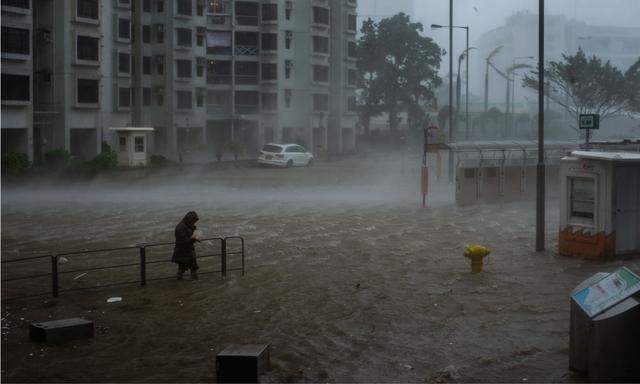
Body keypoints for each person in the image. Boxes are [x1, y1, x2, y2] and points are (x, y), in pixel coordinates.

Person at [172, 211, 201, 280]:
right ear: (189, 219)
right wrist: (194, 238)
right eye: (193, 221)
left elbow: (188, 238)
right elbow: (184, 241)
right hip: (183, 251)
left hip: (186, 250)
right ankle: (194, 281)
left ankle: (181, 281)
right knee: (191, 267)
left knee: (183, 267)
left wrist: (194, 230)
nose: (194, 222)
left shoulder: (187, 225)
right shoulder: (180, 227)